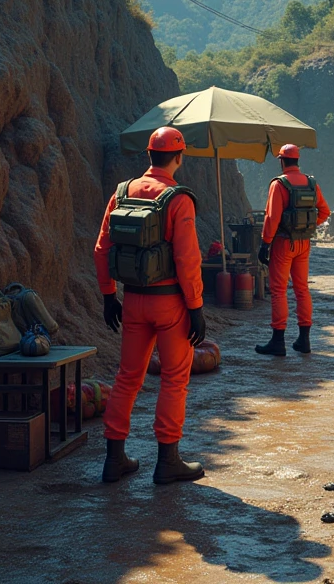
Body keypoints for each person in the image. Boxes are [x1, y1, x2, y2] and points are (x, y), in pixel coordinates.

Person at [93, 126, 206, 485]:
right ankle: (168, 461)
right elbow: (187, 260)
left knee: (127, 377)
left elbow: (102, 249)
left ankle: (114, 460)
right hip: (170, 303)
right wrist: (197, 307)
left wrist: (109, 294)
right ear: (178, 157)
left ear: (148, 155)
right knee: (174, 380)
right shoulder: (178, 199)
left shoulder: (122, 192)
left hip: (133, 301)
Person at [255, 144, 330, 356]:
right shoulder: (311, 183)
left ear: (281, 161)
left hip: (282, 242)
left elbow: (272, 218)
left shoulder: (279, 184)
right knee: (302, 289)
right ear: (297, 161)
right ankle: (304, 340)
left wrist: (265, 243)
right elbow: (325, 211)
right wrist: (308, 225)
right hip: (303, 243)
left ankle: (278, 341)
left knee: (279, 291)